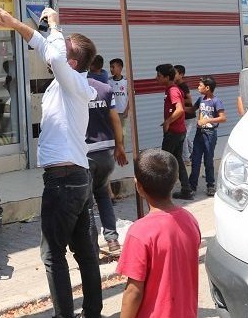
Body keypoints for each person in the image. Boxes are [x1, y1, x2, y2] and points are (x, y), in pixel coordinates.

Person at [0, 6, 103, 318]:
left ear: (73, 61)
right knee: (85, 251)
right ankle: (92, 311)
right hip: (75, 177)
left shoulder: (75, 83)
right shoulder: (67, 84)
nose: (55, 44)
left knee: (52, 254)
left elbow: (51, 54)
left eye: (63, 48)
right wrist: (28, 27)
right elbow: (46, 49)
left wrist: (54, 25)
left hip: (65, 181)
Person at [116, 149, 201, 318]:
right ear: (176, 180)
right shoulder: (190, 220)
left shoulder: (139, 232)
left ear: (138, 186)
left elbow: (133, 291)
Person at [85, 58, 128, 254]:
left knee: (86, 201)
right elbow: (116, 121)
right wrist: (119, 146)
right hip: (106, 151)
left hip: (86, 153)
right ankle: (112, 240)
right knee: (102, 195)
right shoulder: (105, 88)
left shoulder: (73, 89)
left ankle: (91, 246)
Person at [156, 64, 193, 200]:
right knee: (177, 160)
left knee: (163, 162)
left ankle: (161, 192)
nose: (156, 78)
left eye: (159, 76)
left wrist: (168, 122)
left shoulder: (172, 90)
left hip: (174, 132)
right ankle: (186, 189)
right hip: (178, 131)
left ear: (167, 77)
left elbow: (180, 110)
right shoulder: (171, 89)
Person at [188, 76, 225, 196]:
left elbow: (223, 118)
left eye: (200, 85)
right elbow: (192, 110)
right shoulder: (200, 100)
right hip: (199, 134)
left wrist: (207, 120)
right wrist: (179, 108)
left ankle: (210, 185)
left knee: (208, 160)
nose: (198, 87)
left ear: (207, 87)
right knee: (195, 160)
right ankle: (192, 186)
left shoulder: (216, 101)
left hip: (210, 133)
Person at [173, 64, 196, 164]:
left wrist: (179, 101)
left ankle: (186, 158)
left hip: (189, 116)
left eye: (175, 73)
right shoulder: (176, 85)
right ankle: (195, 152)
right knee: (185, 137)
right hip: (183, 115)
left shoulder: (183, 85)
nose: (173, 75)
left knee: (184, 137)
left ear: (181, 74)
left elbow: (189, 99)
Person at [108, 58, 130, 129]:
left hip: (122, 113)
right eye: (110, 67)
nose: (111, 69)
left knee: (122, 135)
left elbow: (131, 97)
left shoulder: (126, 81)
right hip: (112, 112)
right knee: (113, 134)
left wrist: (126, 110)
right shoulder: (109, 81)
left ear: (120, 67)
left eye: (113, 67)